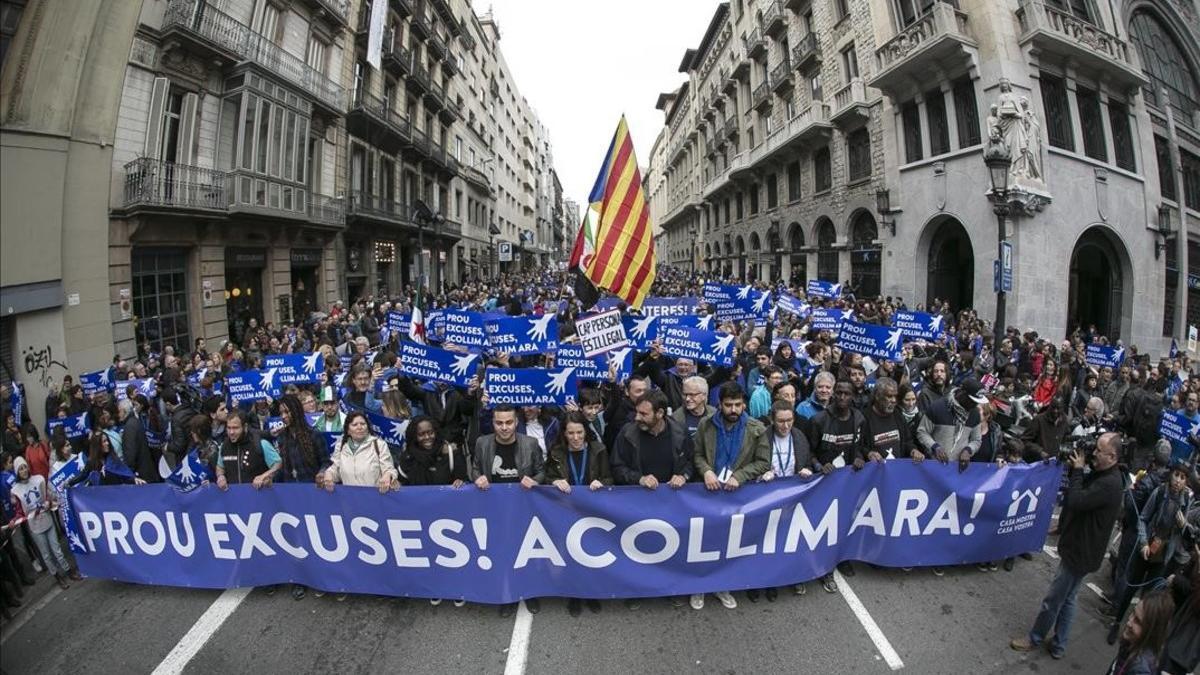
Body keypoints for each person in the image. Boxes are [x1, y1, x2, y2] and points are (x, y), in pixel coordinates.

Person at [1011, 432, 1124, 659]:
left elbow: (1076, 501)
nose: (1093, 453)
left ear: (1112, 457)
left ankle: (1035, 637)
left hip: (1079, 552)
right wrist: (1079, 469)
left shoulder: (1110, 484)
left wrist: (1080, 470)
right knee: (1069, 598)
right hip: (1083, 549)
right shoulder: (1106, 475)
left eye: (1098, 451)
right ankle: (1060, 644)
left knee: (1053, 599)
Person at [609, 389, 693, 610]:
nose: (638, 418)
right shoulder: (627, 434)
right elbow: (617, 468)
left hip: (671, 505)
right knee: (638, 552)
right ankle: (638, 592)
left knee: (672, 550)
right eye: (637, 412)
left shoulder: (680, 433)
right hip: (639, 506)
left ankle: (672, 590)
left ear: (660, 414)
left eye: (644, 414)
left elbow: (691, 463)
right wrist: (639, 479)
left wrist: (683, 475)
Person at [691, 382, 769, 610]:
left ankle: (722, 586)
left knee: (728, 544)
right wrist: (706, 470)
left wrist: (741, 475)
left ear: (744, 404)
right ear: (719, 405)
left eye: (738, 405)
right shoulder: (706, 425)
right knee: (703, 543)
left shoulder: (757, 429)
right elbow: (696, 455)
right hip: (709, 494)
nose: (733, 410)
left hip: (737, 497)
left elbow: (763, 462)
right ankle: (698, 587)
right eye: (728, 405)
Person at [1108, 459, 1194, 644]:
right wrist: (1143, 543)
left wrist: (1183, 525)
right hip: (1146, 549)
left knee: (1148, 595)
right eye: (1177, 475)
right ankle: (1116, 622)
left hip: (1163, 555)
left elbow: (1184, 535)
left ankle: (1137, 630)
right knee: (1130, 588)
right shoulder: (1160, 491)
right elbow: (1144, 518)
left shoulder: (1185, 501)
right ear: (1171, 475)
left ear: (1187, 482)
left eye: (1183, 478)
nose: (1178, 480)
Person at [470, 403, 544, 617]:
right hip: (495, 509)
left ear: (516, 422)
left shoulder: (530, 444)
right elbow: (475, 468)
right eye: (499, 423)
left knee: (528, 554)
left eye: (509, 422)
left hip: (524, 508)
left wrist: (535, 480)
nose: (504, 427)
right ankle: (508, 596)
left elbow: (541, 471)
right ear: (493, 423)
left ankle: (531, 593)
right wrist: (477, 477)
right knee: (503, 555)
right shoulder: (482, 443)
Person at [544, 412, 611, 616]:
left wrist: (602, 483)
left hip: (592, 512)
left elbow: (610, 478)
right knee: (570, 554)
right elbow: (546, 477)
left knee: (591, 554)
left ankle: (591, 593)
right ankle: (574, 594)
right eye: (570, 433)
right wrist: (554, 481)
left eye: (579, 432)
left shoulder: (599, 450)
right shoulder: (556, 453)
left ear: (586, 432)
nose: (575, 438)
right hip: (566, 511)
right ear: (564, 434)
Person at [807, 380, 864, 589]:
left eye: (846, 394)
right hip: (825, 483)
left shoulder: (858, 418)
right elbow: (809, 451)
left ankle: (843, 558)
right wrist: (818, 465)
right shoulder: (819, 420)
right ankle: (825, 569)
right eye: (838, 393)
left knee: (846, 523)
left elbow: (861, 446)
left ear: (852, 396)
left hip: (848, 483)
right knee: (825, 527)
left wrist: (859, 457)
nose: (841, 397)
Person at [757, 399, 813, 598]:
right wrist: (760, 475)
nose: (786, 425)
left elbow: (807, 460)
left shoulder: (799, 436)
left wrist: (809, 469)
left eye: (789, 420)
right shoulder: (762, 437)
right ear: (772, 420)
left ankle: (792, 577)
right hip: (768, 497)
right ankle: (768, 582)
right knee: (768, 543)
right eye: (781, 421)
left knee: (791, 542)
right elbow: (751, 463)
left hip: (793, 498)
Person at [9, 456, 79, 589]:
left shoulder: (39, 479)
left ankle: (69, 571)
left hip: (47, 518)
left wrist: (47, 503)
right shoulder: (15, 491)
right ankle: (57, 576)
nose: (23, 471)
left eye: (24, 467)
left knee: (57, 548)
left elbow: (47, 497)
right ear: (17, 472)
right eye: (20, 469)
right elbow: (19, 511)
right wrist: (14, 520)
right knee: (46, 554)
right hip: (34, 525)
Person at [1105, 591, 1174, 675]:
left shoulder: (1140, 670)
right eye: (1133, 613)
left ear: (1152, 632)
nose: (1129, 622)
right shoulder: (1131, 643)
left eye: (1138, 621)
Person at [214, 410, 281, 491]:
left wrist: (264, 476)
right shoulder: (224, 446)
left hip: (258, 496)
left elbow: (277, 463)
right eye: (229, 428)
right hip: (234, 498)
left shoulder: (260, 444)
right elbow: (220, 467)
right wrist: (220, 476)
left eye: (235, 428)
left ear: (245, 427)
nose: (231, 432)